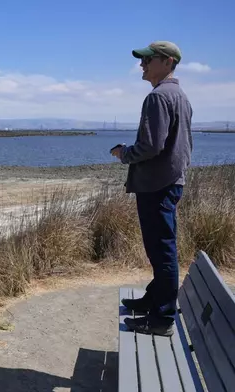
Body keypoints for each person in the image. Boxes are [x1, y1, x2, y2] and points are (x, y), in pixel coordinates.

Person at [111, 41, 193, 336]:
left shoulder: (159, 97)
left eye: (148, 60)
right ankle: (153, 300)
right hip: (169, 182)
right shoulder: (180, 96)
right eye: (142, 60)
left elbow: (151, 146)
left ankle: (162, 318)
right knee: (161, 249)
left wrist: (125, 154)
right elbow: (182, 147)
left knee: (162, 251)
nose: (142, 65)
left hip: (157, 185)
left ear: (168, 62)